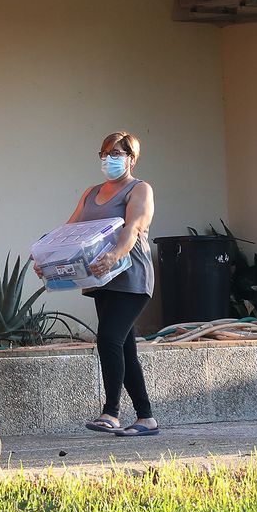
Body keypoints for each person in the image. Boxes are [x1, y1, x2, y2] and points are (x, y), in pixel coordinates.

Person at [66, 130, 159, 437]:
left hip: (131, 278)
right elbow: (70, 230)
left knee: (108, 339)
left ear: (132, 159)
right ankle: (146, 418)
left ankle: (111, 413)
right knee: (124, 346)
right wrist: (48, 260)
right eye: (105, 154)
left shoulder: (139, 190)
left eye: (117, 154)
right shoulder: (91, 193)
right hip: (101, 279)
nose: (109, 160)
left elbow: (133, 227)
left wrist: (114, 255)